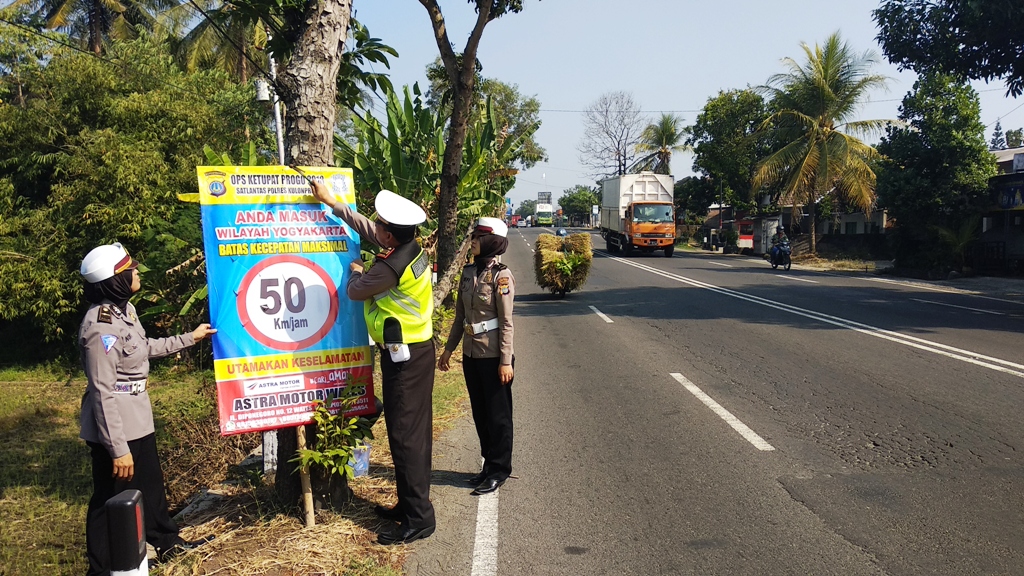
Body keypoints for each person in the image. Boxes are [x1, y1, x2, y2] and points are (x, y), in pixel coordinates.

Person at [309, 180, 436, 546]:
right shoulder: (409, 248)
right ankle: (410, 504)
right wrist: (333, 203)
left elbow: (354, 291)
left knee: (405, 437)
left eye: (381, 226)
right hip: (417, 350)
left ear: (390, 237)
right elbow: (370, 230)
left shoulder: (388, 268)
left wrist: (356, 269)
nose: (375, 228)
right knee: (413, 435)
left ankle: (419, 519)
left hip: (405, 360)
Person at [78, 242, 216, 574]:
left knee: (151, 486)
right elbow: (102, 391)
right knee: (110, 499)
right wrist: (117, 448)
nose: (137, 273)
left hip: (138, 416)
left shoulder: (126, 312)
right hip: (116, 426)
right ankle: (101, 567)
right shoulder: (101, 327)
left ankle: (166, 541)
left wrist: (190, 338)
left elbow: (143, 349)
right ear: (115, 281)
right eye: (131, 270)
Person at [437, 218, 515, 496]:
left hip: (494, 356)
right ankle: (486, 465)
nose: (472, 242)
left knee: (498, 416)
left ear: (491, 241)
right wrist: (448, 349)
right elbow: (460, 317)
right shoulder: (469, 273)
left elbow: (506, 322)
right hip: (472, 353)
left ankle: (499, 469)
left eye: (477, 238)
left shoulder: (501, 277)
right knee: (480, 414)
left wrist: (506, 360)